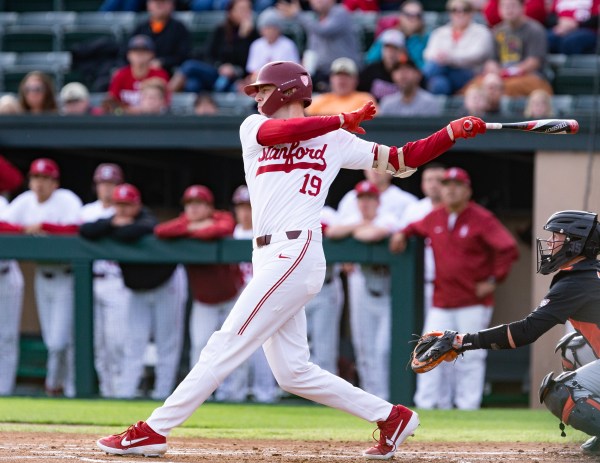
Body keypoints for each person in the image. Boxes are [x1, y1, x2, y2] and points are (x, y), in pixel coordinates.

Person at [96, 60, 487, 460]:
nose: (258, 96)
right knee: (293, 372)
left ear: (286, 90)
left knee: (224, 343)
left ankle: (154, 429)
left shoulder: (335, 138)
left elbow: (402, 161)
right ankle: (391, 417)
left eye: (263, 89)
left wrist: (450, 133)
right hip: (266, 254)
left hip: (295, 250)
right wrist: (340, 118)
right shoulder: (254, 127)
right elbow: (281, 131)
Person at [423, 210, 600, 455]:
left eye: (557, 236)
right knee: (573, 346)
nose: (549, 243)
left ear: (576, 241)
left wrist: (462, 341)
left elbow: (525, 332)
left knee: (558, 392)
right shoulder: (591, 274)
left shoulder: (575, 282)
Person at [390, 167, 519, 409]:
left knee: (470, 355)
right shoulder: (435, 216)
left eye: (456, 185)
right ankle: (425, 405)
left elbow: (508, 248)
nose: (450, 190)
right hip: (442, 299)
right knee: (427, 350)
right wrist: (401, 234)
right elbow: (413, 227)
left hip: (473, 301)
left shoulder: (481, 217)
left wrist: (493, 280)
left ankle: (467, 407)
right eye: (446, 184)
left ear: (467, 190)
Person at [80, 183, 187, 400]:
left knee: (166, 343)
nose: (122, 210)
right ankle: (125, 394)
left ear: (137, 204)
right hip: (138, 289)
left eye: (127, 205)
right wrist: (112, 223)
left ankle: (163, 395)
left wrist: (114, 227)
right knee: (133, 342)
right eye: (119, 205)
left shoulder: (147, 218)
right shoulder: (112, 221)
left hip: (166, 284)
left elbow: (136, 231)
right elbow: (85, 230)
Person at [154, 185, 248, 402]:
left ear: (209, 207)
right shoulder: (184, 222)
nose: (194, 209)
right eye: (190, 205)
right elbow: (161, 231)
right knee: (200, 347)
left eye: (199, 204)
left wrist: (190, 230)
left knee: (237, 348)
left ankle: (236, 396)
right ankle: (199, 398)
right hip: (204, 301)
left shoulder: (222, 217)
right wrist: (192, 227)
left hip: (233, 297)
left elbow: (220, 229)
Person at [0, 158, 82, 397]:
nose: (40, 183)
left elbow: (76, 230)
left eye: (45, 178)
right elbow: (3, 225)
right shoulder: (25, 201)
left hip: (67, 276)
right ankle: (61, 387)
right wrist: (25, 229)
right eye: (36, 178)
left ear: (55, 183)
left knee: (60, 342)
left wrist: (46, 226)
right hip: (41, 277)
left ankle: (55, 384)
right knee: (53, 342)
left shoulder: (66, 200)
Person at [326, 180, 402, 400]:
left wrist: (356, 232)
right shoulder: (352, 220)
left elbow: (373, 235)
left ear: (378, 202)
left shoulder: (387, 217)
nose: (365, 204)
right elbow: (332, 231)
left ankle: (390, 396)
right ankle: (372, 398)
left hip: (389, 289)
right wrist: (357, 226)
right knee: (364, 349)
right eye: (362, 199)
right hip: (363, 288)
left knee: (384, 349)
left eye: (370, 199)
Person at [78, 163, 128, 398]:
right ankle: (108, 392)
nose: (106, 189)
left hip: (116, 281)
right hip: (89, 281)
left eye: (111, 184)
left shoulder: (126, 210)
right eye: (102, 183)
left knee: (116, 342)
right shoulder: (86, 211)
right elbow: (83, 230)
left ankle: (120, 392)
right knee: (97, 345)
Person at [231, 185, 280, 402]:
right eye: (241, 206)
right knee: (235, 346)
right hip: (238, 295)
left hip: (265, 296)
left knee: (264, 349)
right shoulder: (231, 232)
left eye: (249, 206)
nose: (245, 212)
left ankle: (265, 394)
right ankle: (234, 394)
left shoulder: (270, 229)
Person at [168, 0, 259, 93]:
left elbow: (247, 63)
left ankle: (166, 95)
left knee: (191, 76)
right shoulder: (221, 30)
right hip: (215, 72)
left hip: (236, 79)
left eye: (248, 9)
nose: (245, 13)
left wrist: (242, 37)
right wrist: (220, 67)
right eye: (241, 9)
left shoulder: (254, 35)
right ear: (231, 12)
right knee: (191, 76)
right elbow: (208, 55)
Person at [277, 0, 362, 91]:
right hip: (324, 73)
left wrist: (299, 15)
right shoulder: (317, 18)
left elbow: (323, 31)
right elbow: (313, 47)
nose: (317, 2)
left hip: (344, 71)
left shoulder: (340, 12)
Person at [475, 0, 553, 97]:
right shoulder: (498, 30)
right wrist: (494, 70)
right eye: (504, 6)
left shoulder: (535, 29)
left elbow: (534, 62)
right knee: (475, 87)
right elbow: (491, 60)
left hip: (528, 76)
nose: (508, 9)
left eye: (512, 5)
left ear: (522, 7)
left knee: (502, 88)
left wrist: (510, 72)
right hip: (502, 77)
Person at [422, 0, 494, 95]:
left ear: (471, 12)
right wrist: (440, 57)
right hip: (442, 71)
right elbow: (427, 54)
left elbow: (477, 54)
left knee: (436, 67)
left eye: (465, 10)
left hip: (468, 74)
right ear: (449, 13)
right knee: (439, 84)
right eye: (454, 10)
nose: (460, 14)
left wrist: (449, 58)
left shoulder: (482, 32)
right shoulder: (439, 32)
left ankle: (418, 83)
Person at [0, 156, 24, 396]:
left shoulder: (2, 203)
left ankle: (4, 393)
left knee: (6, 338)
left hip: (5, 274)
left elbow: (16, 228)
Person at [104, 35, 170, 114]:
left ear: (152, 54)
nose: (139, 54)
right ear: (128, 54)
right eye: (135, 50)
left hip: (152, 119)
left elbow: (166, 102)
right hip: (125, 120)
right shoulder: (121, 74)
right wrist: (128, 110)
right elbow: (110, 102)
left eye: (144, 50)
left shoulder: (159, 74)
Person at [129, 0, 191, 77]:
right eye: (156, 2)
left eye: (164, 2)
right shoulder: (141, 28)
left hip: (170, 73)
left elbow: (184, 56)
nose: (159, 5)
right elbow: (127, 51)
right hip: (140, 73)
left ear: (172, 5)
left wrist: (163, 62)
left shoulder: (179, 28)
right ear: (148, 5)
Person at [365, 0, 428, 70]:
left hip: (414, 77)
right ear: (401, 16)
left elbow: (424, 68)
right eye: (408, 15)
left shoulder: (425, 38)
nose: (413, 19)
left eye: (417, 16)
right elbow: (371, 59)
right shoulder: (390, 36)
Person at [306, 58, 376, 116]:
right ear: (331, 79)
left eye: (347, 75)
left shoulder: (365, 100)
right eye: (338, 75)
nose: (342, 79)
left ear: (356, 80)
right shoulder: (318, 101)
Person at [245, 8, 301, 80]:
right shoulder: (256, 45)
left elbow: (294, 69)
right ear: (261, 30)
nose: (270, 31)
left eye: (273, 28)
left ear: (279, 29)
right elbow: (252, 70)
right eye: (267, 28)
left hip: (283, 81)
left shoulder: (288, 45)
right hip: (261, 81)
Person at [359, 29, 409, 102]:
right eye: (387, 48)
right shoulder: (371, 70)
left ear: (402, 51)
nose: (390, 52)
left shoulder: (408, 72)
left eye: (395, 48)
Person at [379, 59, 443, 116]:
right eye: (398, 70)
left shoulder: (430, 103)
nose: (402, 73)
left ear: (418, 75)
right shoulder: (387, 104)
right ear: (393, 76)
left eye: (407, 69)